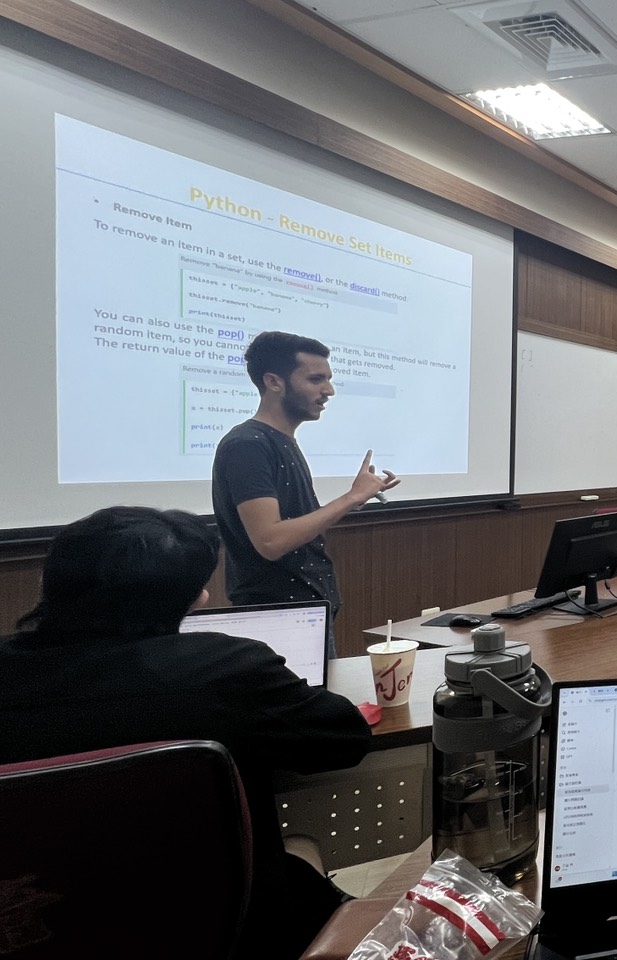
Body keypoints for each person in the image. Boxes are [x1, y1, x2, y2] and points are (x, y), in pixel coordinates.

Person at [0, 506, 373, 960]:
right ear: (193, 599)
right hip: (230, 929)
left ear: (48, 582)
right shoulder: (226, 668)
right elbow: (344, 740)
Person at [212, 331, 401, 659]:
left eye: (328, 379)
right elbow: (270, 541)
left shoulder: (280, 441)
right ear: (274, 381)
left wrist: (355, 499)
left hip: (304, 616)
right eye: (316, 379)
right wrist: (351, 497)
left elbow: (291, 528)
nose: (329, 390)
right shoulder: (248, 445)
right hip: (277, 623)